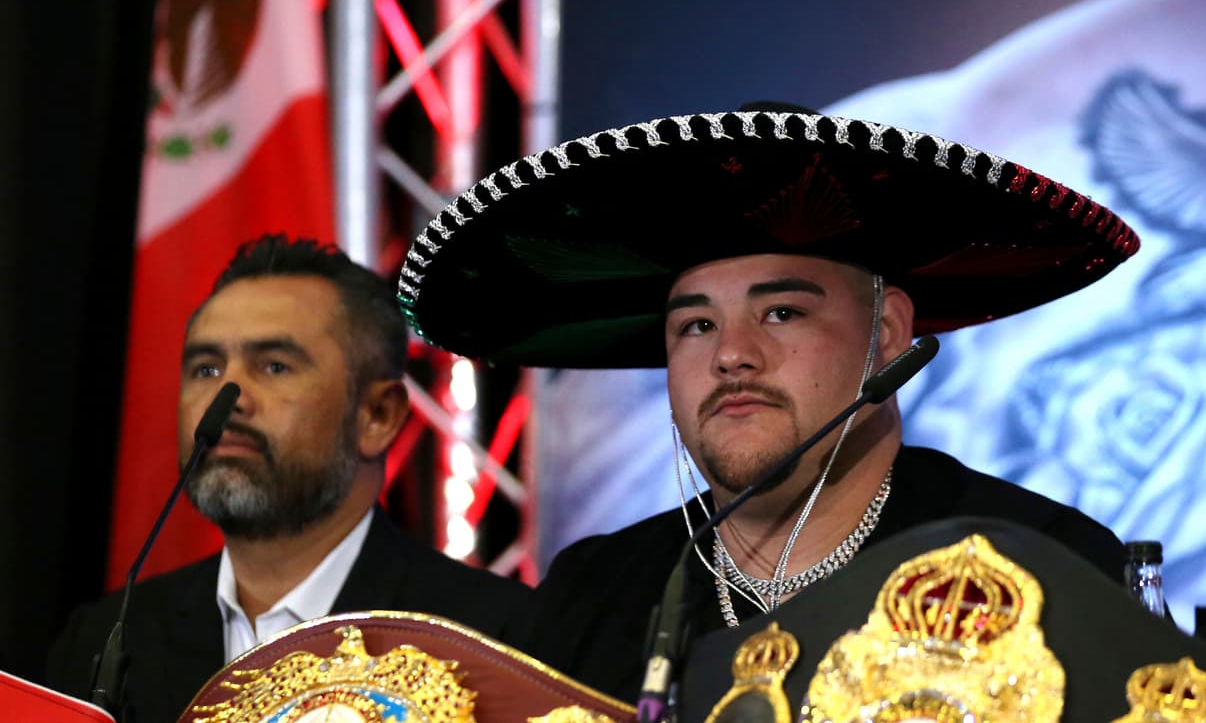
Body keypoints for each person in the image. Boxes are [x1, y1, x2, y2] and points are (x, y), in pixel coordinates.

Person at [395, 106, 1141, 701]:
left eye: (782, 312)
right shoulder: (592, 595)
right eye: (695, 325)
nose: (731, 353)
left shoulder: (1047, 569)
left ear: (885, 336)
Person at [47, 235, 531, 723]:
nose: (229, 396)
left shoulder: (496, 636)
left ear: (377, 415)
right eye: (206, 368)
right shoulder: (107, 636)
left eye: (275, 366)